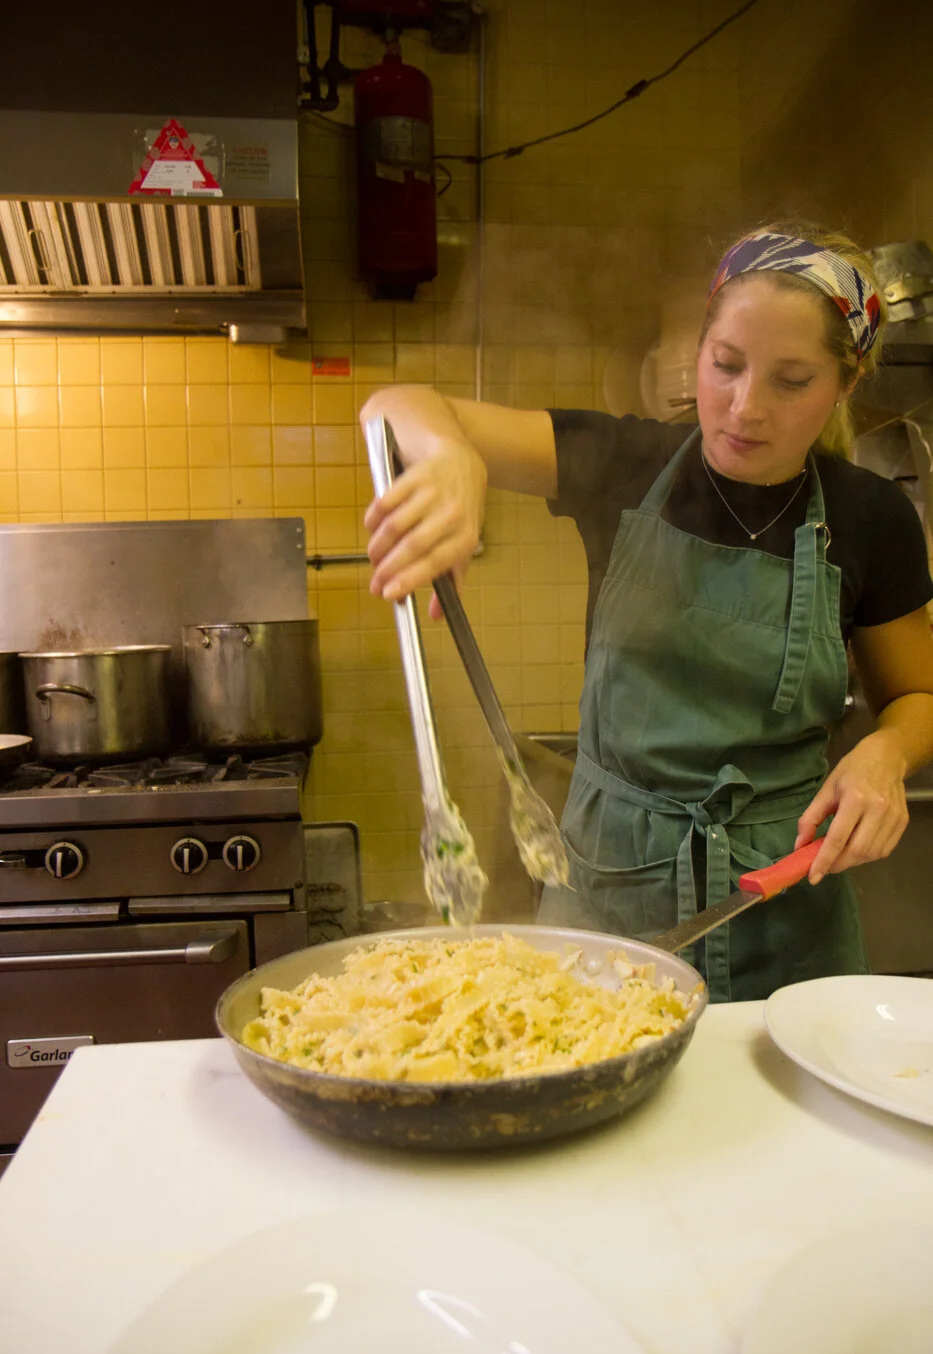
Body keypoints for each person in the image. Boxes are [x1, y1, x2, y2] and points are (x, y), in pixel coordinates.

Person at [361, 224, 933, 1001]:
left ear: (844, 382)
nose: (744, 407)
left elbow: (916, 695)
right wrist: (450, 455)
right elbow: (396, 406)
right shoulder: (621, 464)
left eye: (790, 381)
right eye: (724, 365)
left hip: (785, 912)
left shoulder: (869, 517)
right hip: (607, 905)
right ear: (698, 351)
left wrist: (885, 755)